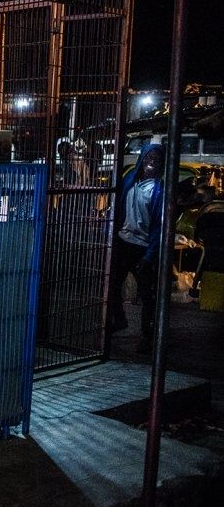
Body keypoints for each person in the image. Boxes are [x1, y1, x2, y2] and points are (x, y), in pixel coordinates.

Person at [107, 143, 165, 352]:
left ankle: (147, 336)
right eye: (149, 157)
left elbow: (159, 226)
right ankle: (119, 320)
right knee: (112, 284)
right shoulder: (130, 180)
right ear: (142, 158)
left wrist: (149, 255)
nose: (152, 161)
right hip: (124, 242)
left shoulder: (159, 189)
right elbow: (118, 205)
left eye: (157, 158)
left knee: (147, 295)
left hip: (142, 247)